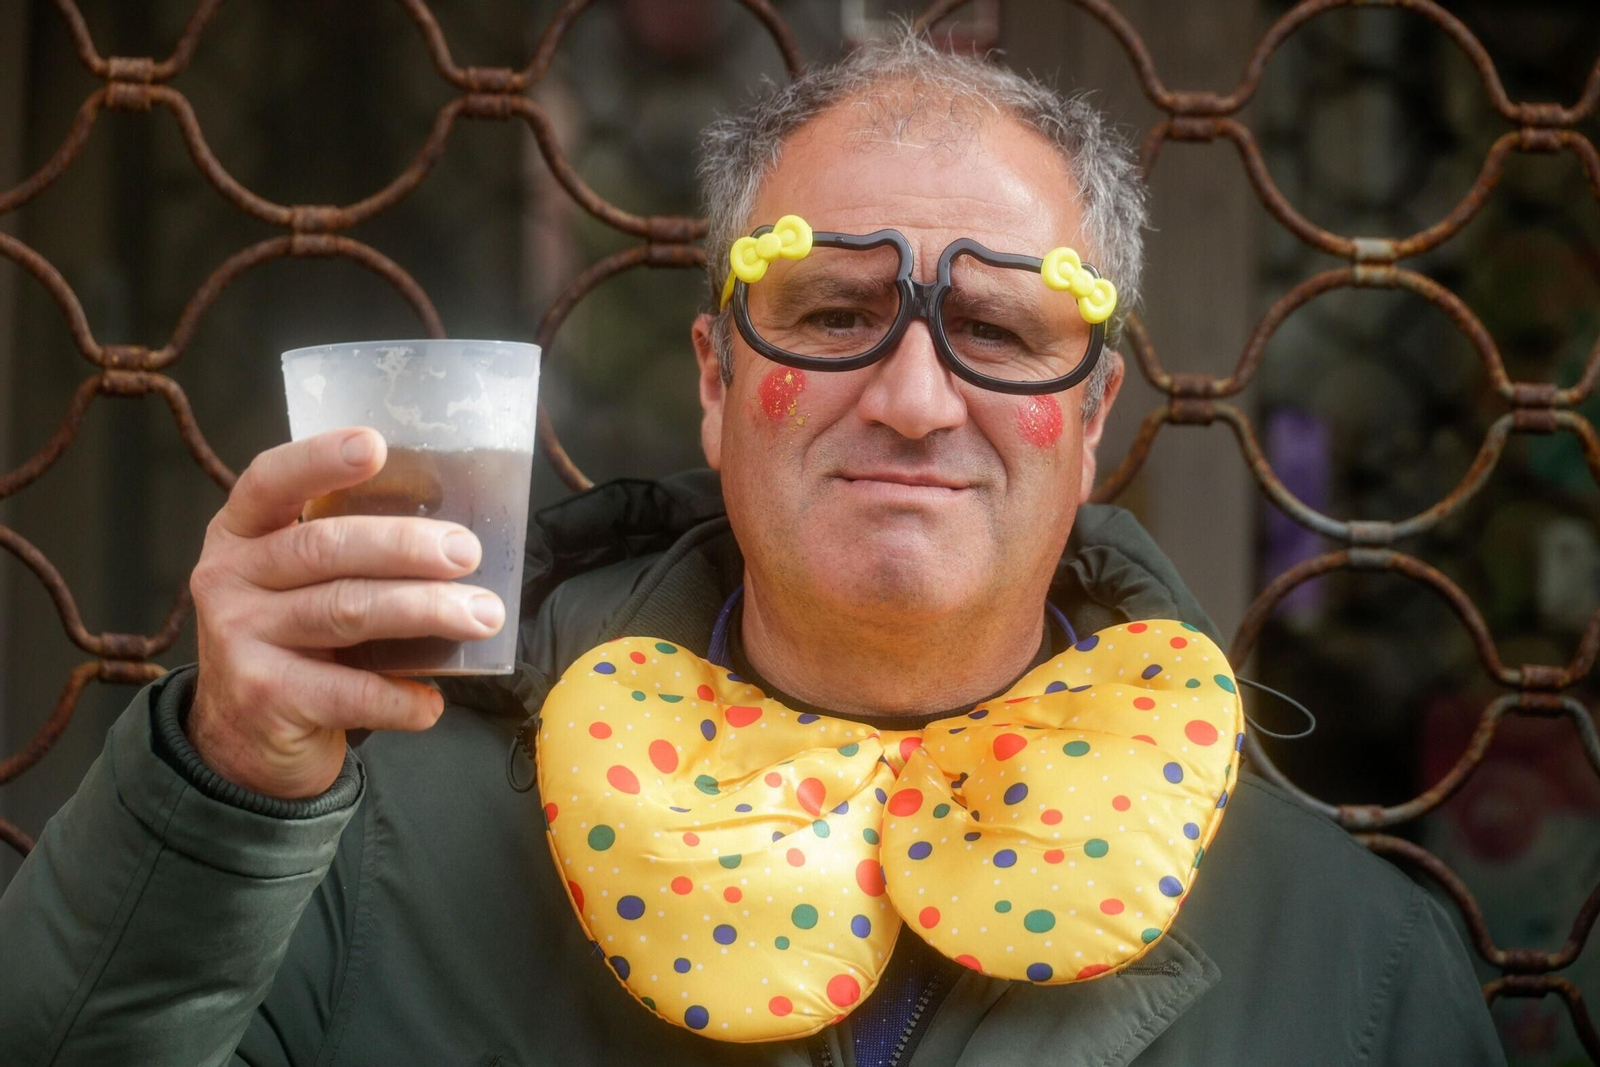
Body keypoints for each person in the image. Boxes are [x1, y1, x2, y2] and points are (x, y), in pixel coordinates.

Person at [0, 31, 1505, 1067]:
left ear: (1096, 414)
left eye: (997, 330)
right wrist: (221, 793)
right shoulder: (364, 846)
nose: (915, 399)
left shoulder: (1358, 963)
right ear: (716, 386)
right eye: (835, 313)